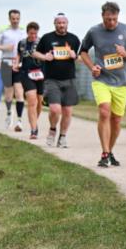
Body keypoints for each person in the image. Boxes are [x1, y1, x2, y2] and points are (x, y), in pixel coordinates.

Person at [79, 1, 126, 168]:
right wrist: (92, 67)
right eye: (108, 19)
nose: (111, 22)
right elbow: (83, 52)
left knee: (116, 120)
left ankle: (110, 151)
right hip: (101, 80)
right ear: (102, 16)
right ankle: (104, 153)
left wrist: (125, 53)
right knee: (104, 112)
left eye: (114, 19)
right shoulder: (94, 31)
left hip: (121, 82)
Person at [35, 13, 81, 148]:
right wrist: (44, 57)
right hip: (52, 79)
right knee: (55, 109)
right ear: (55, 24)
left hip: (69, 79)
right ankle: (52, 130)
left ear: (67, 23)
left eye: (63, 23)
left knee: (67, 111)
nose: (61, 25)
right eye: (59, 23)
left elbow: (81, 57)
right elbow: (35, 53)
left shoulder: (74, 39)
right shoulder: (47, 38)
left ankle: (62, 137)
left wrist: (75, 56)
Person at [0, 9, 26, 130]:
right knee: (8, 94)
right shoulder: (4, 31)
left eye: (17, 18)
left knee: (19, 92)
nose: (15, 21)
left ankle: (19, 120)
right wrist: (4, 47)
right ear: (9, 19)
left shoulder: (23, 32)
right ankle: (8, 113)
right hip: (6, 63)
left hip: (19, 64)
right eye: (13, 19)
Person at [15, 22, 45, 140]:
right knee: (32, 101)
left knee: (39, 102)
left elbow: (47, 56)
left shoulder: (42, 42)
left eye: (35, 33)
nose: (33, 36)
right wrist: (16, 64)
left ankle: (34, 121)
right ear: (27, 32)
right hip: (26, 74)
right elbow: (18, 55)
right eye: (31, 33)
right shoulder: (22, 43)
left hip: (40, 74)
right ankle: (33, 130)